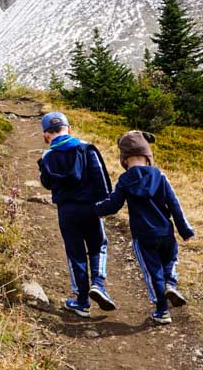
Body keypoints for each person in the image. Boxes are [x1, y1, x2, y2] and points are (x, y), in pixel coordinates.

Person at [94, 130, 194, 326]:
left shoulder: (124, 181)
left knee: (152, 272)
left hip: (143, 236)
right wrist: (185, 230)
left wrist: (94, 209)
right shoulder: (159, 175)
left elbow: (113, 205)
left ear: (124, 159)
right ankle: (171, 284)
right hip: (166, 231)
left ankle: (162, 310)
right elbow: (174, 204)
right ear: (148, 156)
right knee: (171, 259)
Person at [37, 111, 116, 318]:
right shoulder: (86, 148)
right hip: (91, 207)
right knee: (98, 245)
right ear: (69, 129)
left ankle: (82, 301)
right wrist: (104, 204)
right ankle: (98, 284)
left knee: (75, 253)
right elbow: (100, 176)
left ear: (46, 135)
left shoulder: (47, 156)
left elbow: (46, 183)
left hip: (66, 211)